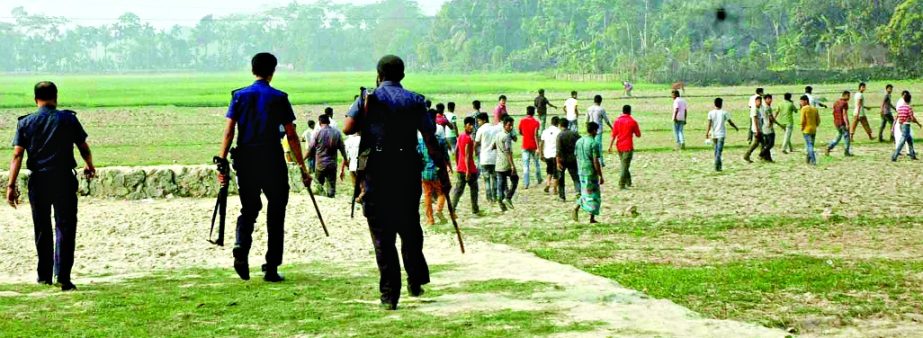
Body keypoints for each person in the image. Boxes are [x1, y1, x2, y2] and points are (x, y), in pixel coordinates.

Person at [342, 55, 450, 311]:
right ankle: (415, 279)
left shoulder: (368, 98)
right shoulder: (414, 100)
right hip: (406, 170)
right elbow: (430, 137)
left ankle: (390, 295)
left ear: (378, 74)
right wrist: (443, 171)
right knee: (409, 226)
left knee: (382, 236)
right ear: (402, 75)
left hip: (377, 172)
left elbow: (347, 128)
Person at [217, 53, 312, 282]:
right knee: (276, 212)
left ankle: (241, 244)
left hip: (246, 160)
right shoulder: (279, 98)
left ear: (252, 70)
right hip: (272, 160)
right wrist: (302, 167)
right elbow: (291, 134)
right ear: (273, 71)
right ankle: (271, 267)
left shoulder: (239, 96)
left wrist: (221, 161)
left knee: (249, 209)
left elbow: (229, 132)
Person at [6, 81, 96, 292]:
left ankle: (44, 275)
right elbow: (83, 147)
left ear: (35, 99)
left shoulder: (25, 123)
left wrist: (11, 185)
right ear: (56, 97)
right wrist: (90, 165)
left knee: (42, 228)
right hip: (64, 179)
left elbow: (17, 154)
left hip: (39, 181)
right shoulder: (68, 119)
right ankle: (63, 277)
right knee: (65, 227)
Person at [307, 115, 346, 198]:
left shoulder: (317, 133)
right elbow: (342, 149)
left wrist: (302, 159)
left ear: (320, 122)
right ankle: (331, 197)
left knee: (318, 185)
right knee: (331, 186)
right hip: (332, 164)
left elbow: (310, 149)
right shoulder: (336, 133)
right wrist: (346, 160)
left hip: (320, 164)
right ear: (329, 121)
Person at [573, 122, 604, 223]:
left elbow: (576, 155)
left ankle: (578, 208)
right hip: (590, 171)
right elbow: (595, 161)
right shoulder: (594, 143)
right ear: (594, 130)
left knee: (585, 192)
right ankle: (591, 217)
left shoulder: (579, 141)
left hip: (581, 170)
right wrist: (600, 174)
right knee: (593, 195)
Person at [418, 130, 450, 225]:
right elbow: (445, 156)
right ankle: (438, 210)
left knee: (427, 195)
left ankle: (430, 220)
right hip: (437, 171)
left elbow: (418, 156)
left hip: (425, 172)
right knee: (442, 192)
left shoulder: (420, 142)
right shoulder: (439, 141)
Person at [451, 117, 479, 215]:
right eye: (469, 125)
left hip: (460, 168)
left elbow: (456, 151)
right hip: (469, 169)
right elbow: (467, 155)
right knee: (474, 189)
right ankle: (475, 209)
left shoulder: (460, 137)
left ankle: (452, 208)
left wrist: (458, 164)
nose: (471, 127)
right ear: (465, 125)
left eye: (473, 125)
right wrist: (467, 170)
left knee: (458, 190)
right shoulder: (468, 139)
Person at [492, 116, 519, 211]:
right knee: (515, 179)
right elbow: (508, 151)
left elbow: (493, 146)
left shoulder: (498, 135)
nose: (511, 127)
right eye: (509, 125)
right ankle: (508, 197)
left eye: (512, 125)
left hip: (498, 163)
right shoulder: (506, 136)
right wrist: (512, 165)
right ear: (504, 125)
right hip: (506, 163)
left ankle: (502, 205)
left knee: (500, 184)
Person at [611, 105, 641, 188]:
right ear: (630, 111)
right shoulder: (633, 122)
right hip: (628, 146)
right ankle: (622, 183)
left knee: (624, 165)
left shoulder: (617, 121)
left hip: (619, 145)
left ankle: (629, 182)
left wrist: (610, 146)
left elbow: (613, 135)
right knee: (625, 166)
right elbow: (638, 135)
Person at [705, 98, 739, 172]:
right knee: (719, 151)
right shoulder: (724, 113)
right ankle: (717, 167)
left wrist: (707, 133)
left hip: (713, 134)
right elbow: (730, 122)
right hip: (721, 134)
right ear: (721, 104)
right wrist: (735, 127)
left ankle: (719, 166)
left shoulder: (711, 113)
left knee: (716, 150)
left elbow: (709, 124)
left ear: (714, 104)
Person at [475, 112, 500, 203]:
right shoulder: (495, 128)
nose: (478, 123)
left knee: (487, 180)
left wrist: (475, 151)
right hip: (494, 157)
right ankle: (495, 196)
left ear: (484, 120)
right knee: (494, 178)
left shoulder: (481, 130)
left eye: (479, 121)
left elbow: (476, 142)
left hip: (484, 157)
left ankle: (489, 198)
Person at [556, 119, 581, 201]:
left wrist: (557, 161)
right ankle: (578, 192)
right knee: (575, 177)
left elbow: (558, 150)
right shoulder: (574, 134)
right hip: (573, 158)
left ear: (560, 125)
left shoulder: (560, 135)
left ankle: (562, 196)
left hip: (563, 159)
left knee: (561, 178)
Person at [518, 106, 542, 189]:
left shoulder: (522, 121)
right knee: (536, 163)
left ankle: (526, 183)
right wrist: (538, 147)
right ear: (533, 113)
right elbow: (536, 135)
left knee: (525, 165)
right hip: (534, 146)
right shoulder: (536, 122)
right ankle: (539, 179)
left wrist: (525, 135)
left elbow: (520, 132)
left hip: (525, 145)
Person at [892, 93, 921, 161]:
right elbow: (912, 118)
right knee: (902, 142)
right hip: (906, 126)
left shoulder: (900, 107)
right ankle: (894, 156)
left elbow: (896, 117)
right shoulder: (909, 107)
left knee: (910, 141)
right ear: (910, 100)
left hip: (901, 125)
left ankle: (912, 155)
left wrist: (893, 126)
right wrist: (918, 123)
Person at [586, 95, 613, 167]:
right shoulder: (601, 109)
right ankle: (601, 162)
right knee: (598, 147)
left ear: (594, 100)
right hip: (598, 130)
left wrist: (587, 129)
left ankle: (591, 161)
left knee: (590, 146)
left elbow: (586, 120)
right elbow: (606, 120)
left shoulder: (589, 108)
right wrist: (611, 128)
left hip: (590, 130)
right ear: (600, 101)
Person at [826, 91, 853, 157]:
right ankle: (846, 152)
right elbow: (844, 114)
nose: (849, 97)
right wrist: (847, 124)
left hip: (836, 122)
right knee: (846, 137)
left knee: (838, 136)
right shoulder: (844, 103)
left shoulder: (836, 102)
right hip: (842, 123)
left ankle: (829, 147)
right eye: (849, 96)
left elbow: (834, 112)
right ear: (845, 95)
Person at [540, 116, 562, 194]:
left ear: (551, 122)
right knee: (556, 172)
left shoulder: (545, 131)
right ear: (558, 123)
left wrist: (541, 153)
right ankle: (555, 189)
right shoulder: (559, 131)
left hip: (547, 153)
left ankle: (548, 184)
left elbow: (542, 143)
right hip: (555, 154)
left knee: (549, 170)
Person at [760, 94, 784, 162]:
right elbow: (771, 118)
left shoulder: (762, 106)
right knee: (771, 143)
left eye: (771, 98)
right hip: (768, 127)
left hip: (764, 126)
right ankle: (761, 154)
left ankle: (767, 158)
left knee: (767, 143)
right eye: (768, 99)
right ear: (765, 99)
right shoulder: (768, 108)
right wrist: (780, 125)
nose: (770, 100)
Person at [341, 131, 363, 203]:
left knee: (355, 185)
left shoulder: (348, 141)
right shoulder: (363, 139)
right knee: (362, 185)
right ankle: (360, 199)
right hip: (361, 165)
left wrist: (342, 170)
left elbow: (345, 157)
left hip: (352, 166)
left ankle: (355, 198)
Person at [800, 95, 820, 165]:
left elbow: (803, 120)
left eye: (801, 101)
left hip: (806, 130)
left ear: (805, 101)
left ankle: (813, 160)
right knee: (811, 145)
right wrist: (815, 125)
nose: (801, 103)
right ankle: (808, 160)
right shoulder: (814, 109)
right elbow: (818, 121)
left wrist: (802, 127)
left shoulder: (804, 109)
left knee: (809, 145)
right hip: (814, 129)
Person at [743, 96, 764, 163]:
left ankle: (762, 156)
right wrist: (757, 130)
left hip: (759, 128)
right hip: (756, 129)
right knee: (757, 143)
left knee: (760, 143)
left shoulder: (758, 109)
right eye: (758, 101)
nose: (760, 103)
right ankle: (747, 155)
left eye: (760, 101)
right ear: (755, 101)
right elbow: (755, 120)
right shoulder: (754, 109)